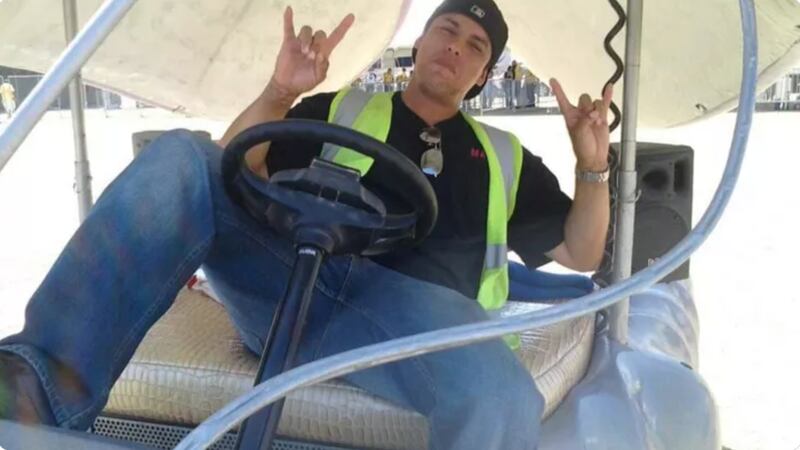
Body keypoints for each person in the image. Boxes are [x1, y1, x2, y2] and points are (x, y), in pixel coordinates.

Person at [0, 0, 611, 448]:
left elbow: (581, 254)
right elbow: (228, 174)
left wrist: (593, 167)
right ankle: (35, 391)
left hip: (421, 323)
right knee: (185, 155)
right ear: (421, 42)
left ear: (483, 76)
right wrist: (277, 92)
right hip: (293, 281)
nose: (456, 46)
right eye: (446, 29)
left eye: (476, 45)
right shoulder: (339, 107)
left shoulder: (506, 156)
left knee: (501, 396)